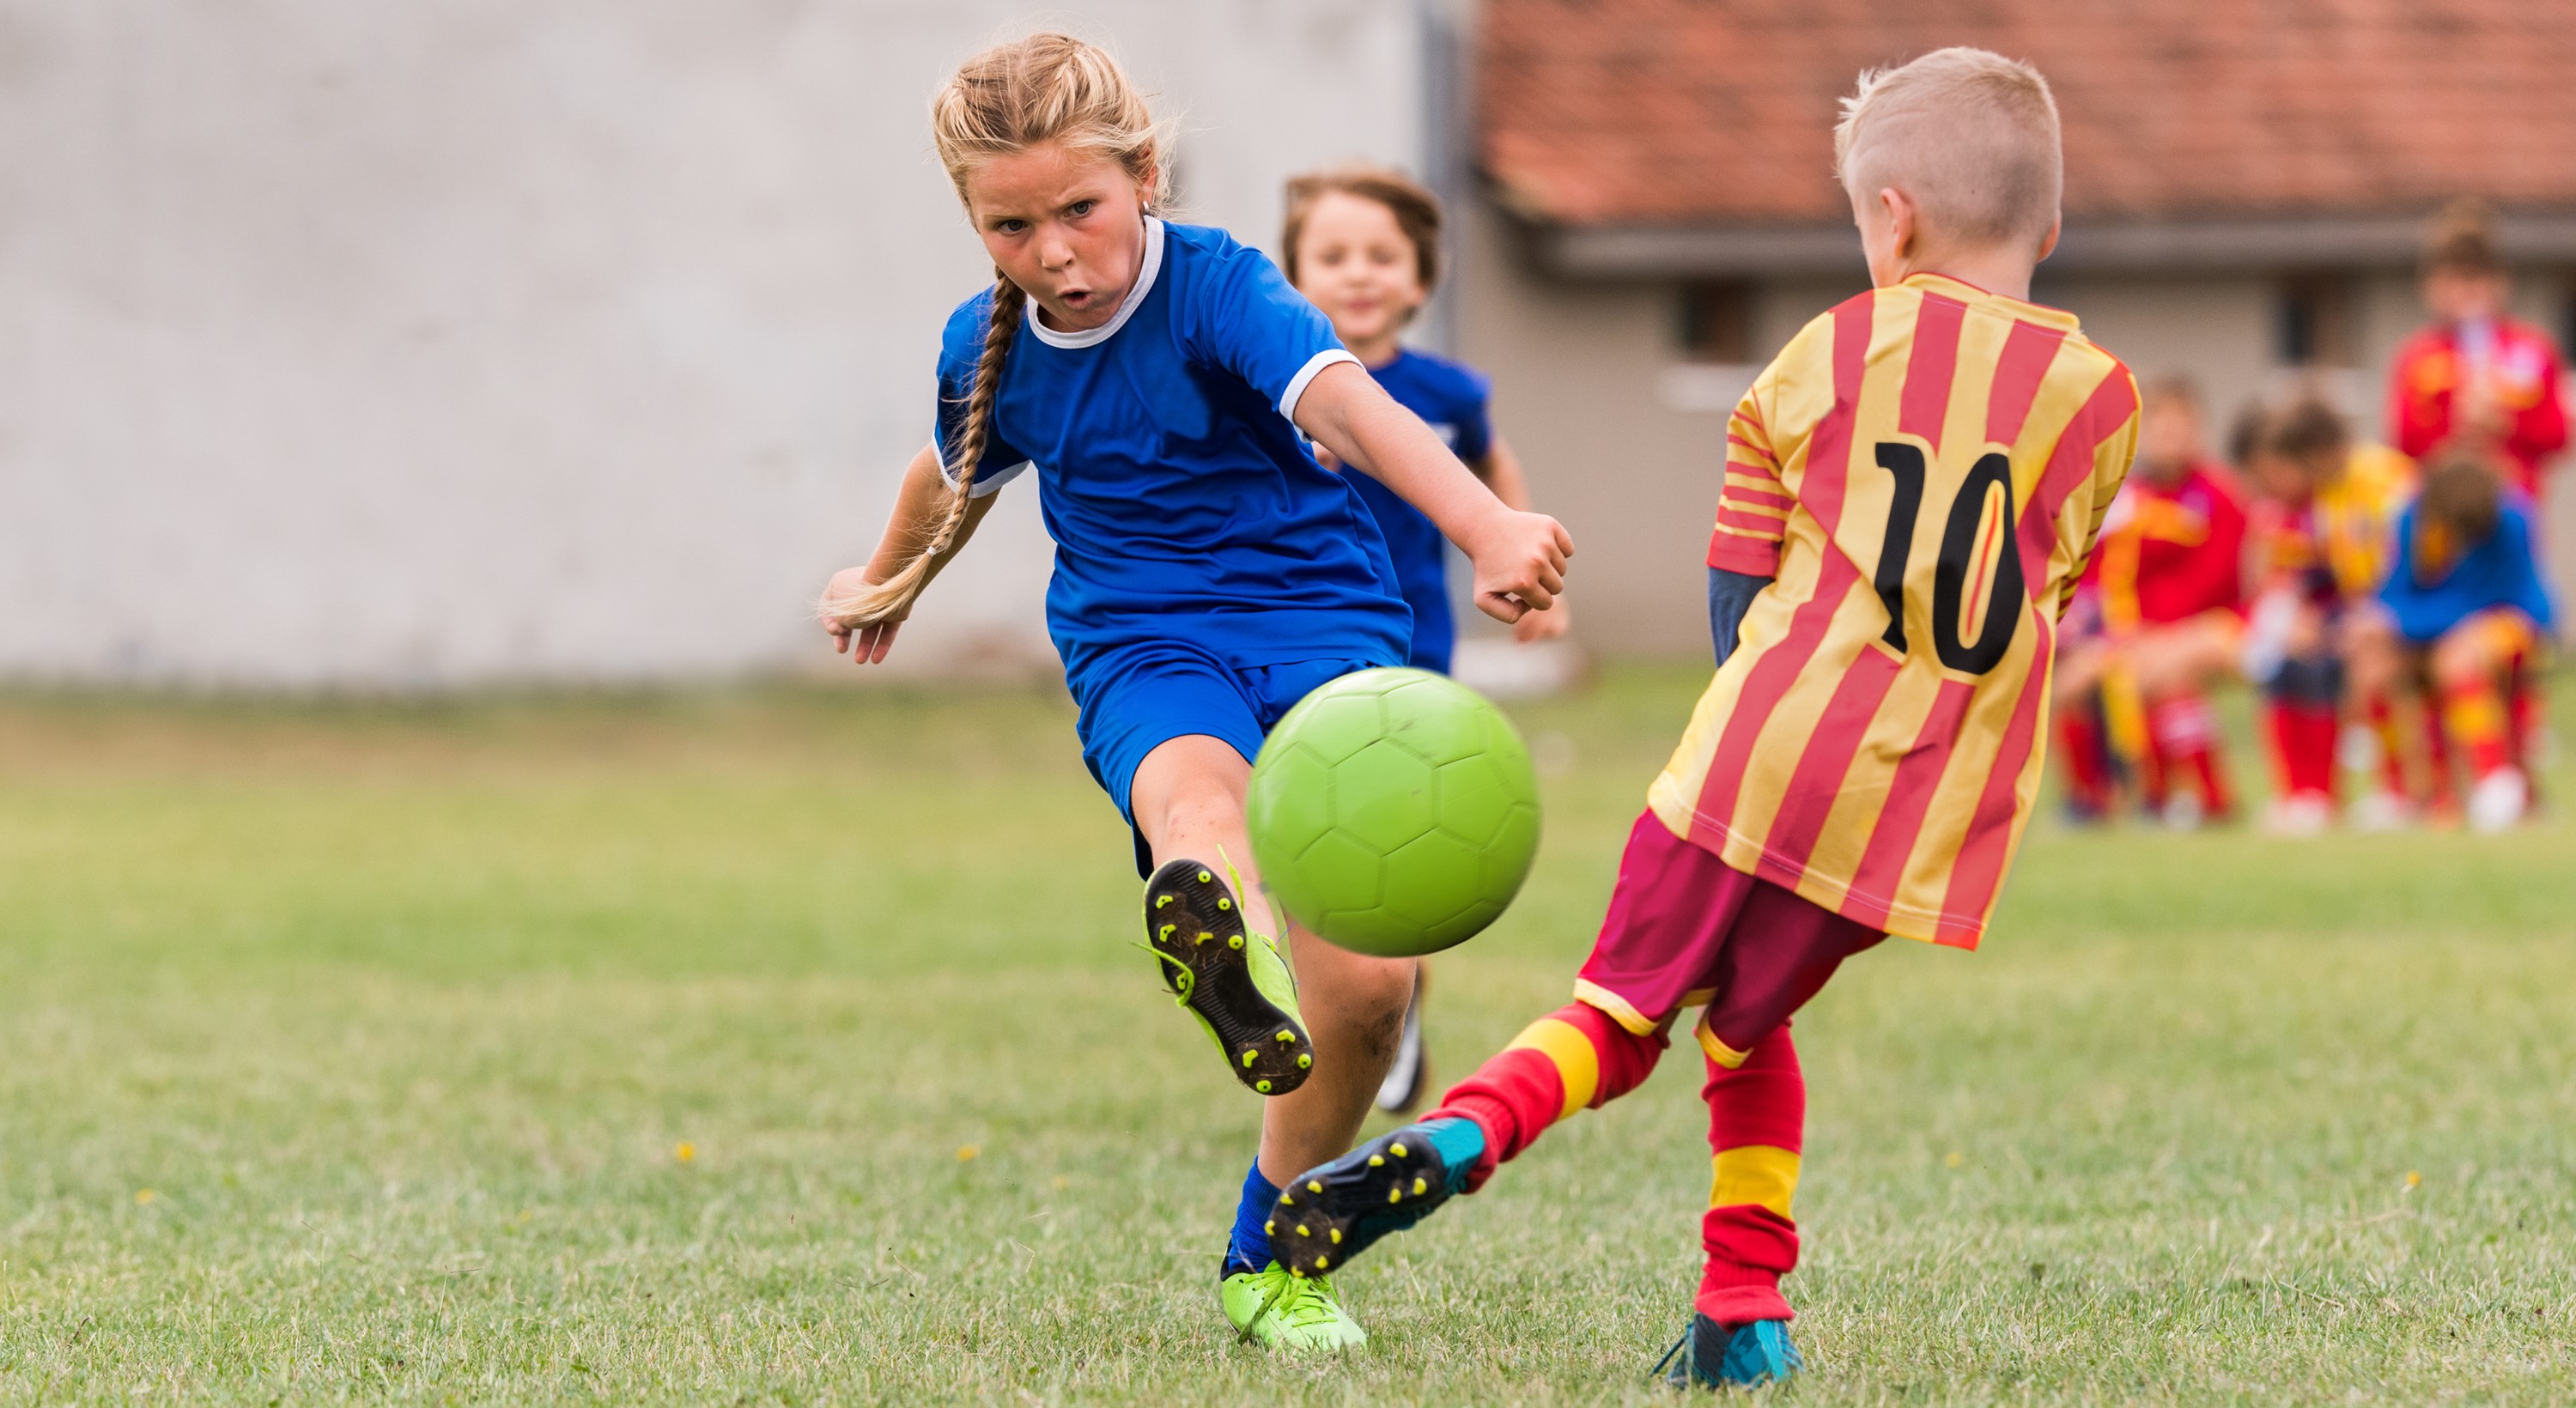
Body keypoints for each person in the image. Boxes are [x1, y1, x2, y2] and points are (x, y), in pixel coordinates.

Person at [1266, 48, 2137, 1389]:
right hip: (1918, 806)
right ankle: (1747, 1309)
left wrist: (1749, 696)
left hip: (1761, 755)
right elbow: (2052, 592)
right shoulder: (2104, 400)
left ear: (1889, 218)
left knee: (1618, 1016)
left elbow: (1742, 561)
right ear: (2052, 227)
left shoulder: (1839, 343)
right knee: (1744, 1028)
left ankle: (1454, 1139)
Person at [816, 33, 1571, 1353]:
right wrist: (886, 581)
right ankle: (1217, 932)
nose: (1054, 250)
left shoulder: (1221, 285)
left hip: (1323, 624)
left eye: (1079, 211)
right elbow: (949, 474)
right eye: (1012, 225)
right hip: (1140, 638)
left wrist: (1486, 525)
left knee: (1378, 992)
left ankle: (1273, 1252)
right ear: (972, 221)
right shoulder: (986, 345)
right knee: (1194, 796)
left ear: (1144, 176)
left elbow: (1349, 407)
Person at [1280, 164, 1569, 1115]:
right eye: (1332, 256)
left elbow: (1492, 460)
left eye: (1381, 257)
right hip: (1294, 639)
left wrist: (1530, 569)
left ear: (1419, 279)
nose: (1357, 274)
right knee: (1306, 839)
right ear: (1293, 275)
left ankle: (1394, 1012)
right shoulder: (1275, 383)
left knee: (1400, 851)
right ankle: (1317, 1003)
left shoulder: (1446, 390)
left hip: (1413, 655)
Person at [2051, 378, 2248, 827]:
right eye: (2160, 428)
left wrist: (2151, 632)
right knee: (2073, 681)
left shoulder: (2220, 496)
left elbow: (2216, 582)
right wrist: (2092, 629)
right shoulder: (2122, 498)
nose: (2170, 438)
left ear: (2198, 431)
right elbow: (2096, 577)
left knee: (2163, 670)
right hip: (2131, 633)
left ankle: (2205, 798)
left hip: (2216, 624)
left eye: (2181, 428)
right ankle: (2091, 802)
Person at [2347, 449, 2555, 831]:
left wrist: (2399, 620)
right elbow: (2397, 589)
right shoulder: (2414, 518)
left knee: (2457, 658)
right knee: (2372, 663)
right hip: (2437, 629)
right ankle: (2401, 795)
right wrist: (2376, 618)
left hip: (2512, 620)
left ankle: (2495, 783)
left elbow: (2485, 598)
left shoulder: (2510, 518)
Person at [2239, 396, 2415, 832]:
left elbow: (2412, 559)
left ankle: (2397, 793)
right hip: (2357, 610)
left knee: (2368, 661)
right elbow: (2333, 572)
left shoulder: (2384, 478)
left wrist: (2374, 615)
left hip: (2405, 609)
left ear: (2319, 452)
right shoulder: (2326, 494)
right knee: (2288, 662)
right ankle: (2309, 796)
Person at [2389, 199, 2567, 499]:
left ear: (2501, 281)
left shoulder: (2531, 350)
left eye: (2476, 278)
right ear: (2431, 286)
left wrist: (2508, 423)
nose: (2465, 292)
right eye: (2453, 279)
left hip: (2514, 503)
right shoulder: (2419, 356)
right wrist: (2455, 427)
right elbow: (2405, 442)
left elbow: (2558, 435)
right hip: (2443, 508)